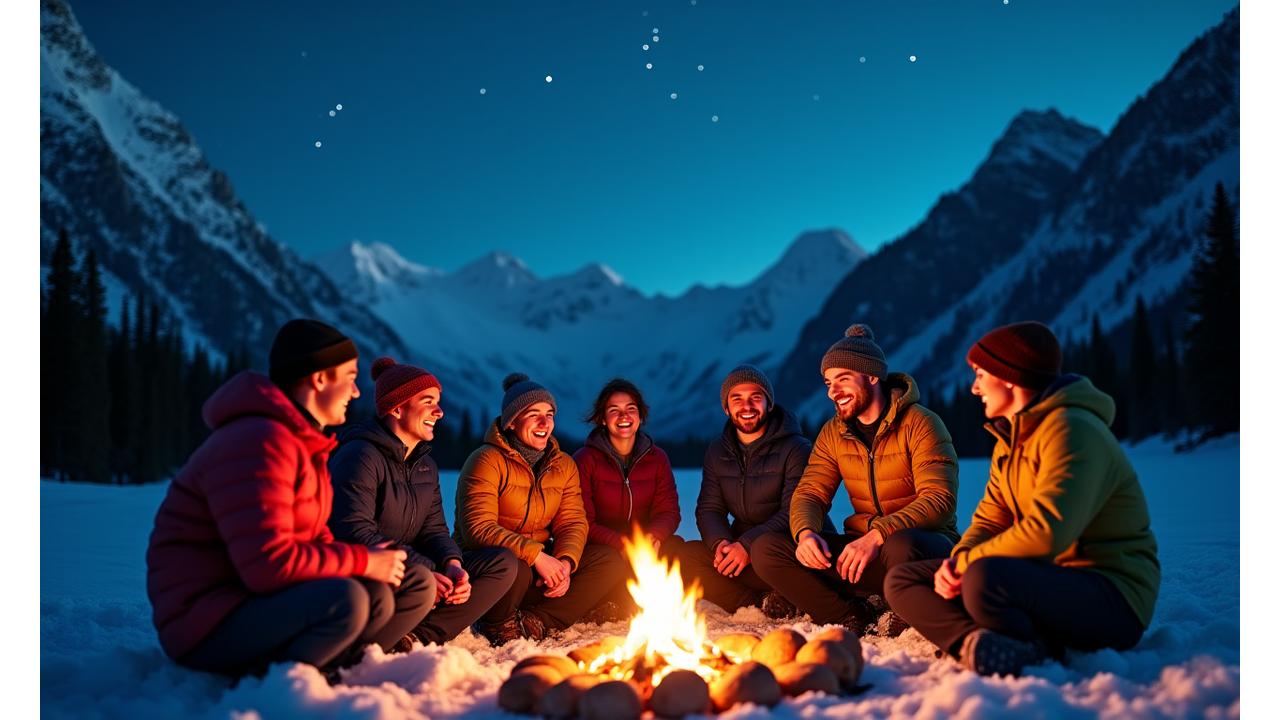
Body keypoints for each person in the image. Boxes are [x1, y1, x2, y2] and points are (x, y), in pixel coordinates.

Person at [146, 319, 435, 678]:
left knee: (412, 583)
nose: (356, 392)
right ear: (319, 380)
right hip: (206, 620)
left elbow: (315, 540)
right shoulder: (257, 442)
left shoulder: (304, 443)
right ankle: (285, 684)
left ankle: (343, 669)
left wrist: (373, 564)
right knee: (347, 600)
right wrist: (362, 561)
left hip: (263, 601)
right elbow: (267, 565)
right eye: (349, 377)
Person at [884, 321, 1160, 676]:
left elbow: (1047, 533)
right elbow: (989, 520)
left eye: (981, 375)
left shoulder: (1073, 430)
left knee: (984, 577)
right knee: (904, 580)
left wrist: (970, 565)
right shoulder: (1010, 440)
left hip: (1111, 596)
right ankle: (977, 644)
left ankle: (1035, 649)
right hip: (1042, 581)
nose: (974, 388)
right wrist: (959, 560)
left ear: (1009, 377)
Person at [752, 324, 959, 633]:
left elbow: (938, 500)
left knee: (899, 545)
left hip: (921, 550)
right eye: (828, 382)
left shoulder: (922, 423)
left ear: (872, 376)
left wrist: (878, 535)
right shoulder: (834, 433)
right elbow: (810, 493)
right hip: (860, 550)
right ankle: (850, 614)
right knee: (767, 548)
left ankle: (904, 607)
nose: (832, 392)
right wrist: (805, 533)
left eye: (843, 380)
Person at [327, 357, 518, 648]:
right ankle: (397, 630)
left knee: (502, 563)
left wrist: (451, 565)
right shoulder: (361, 456)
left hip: (419, 573)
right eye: (428, 401)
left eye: (438, 402)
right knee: (422, 579)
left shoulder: (425, 464)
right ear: (397, 407)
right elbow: (355, 532)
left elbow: (435, 531)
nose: (440, 412)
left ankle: (416, 637)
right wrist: (427, 568)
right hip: (375, 573)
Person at [454, 373, 628, 645]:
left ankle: (538, 621)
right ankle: (497, 624)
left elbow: (572, 522)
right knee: (515, 566)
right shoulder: (486, 460)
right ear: (512, 422)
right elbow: (478, 528)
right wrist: (537, 557)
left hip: (539, 564)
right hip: (495, 568)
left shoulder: (564, 465)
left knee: (607, 561)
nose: (544, 422)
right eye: (533, 414)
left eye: (549, 414)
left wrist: (565, 563)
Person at [676, 364, 831, 616]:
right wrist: (721, 545)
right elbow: (709, 509)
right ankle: (759, 604)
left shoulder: (795, 448)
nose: (746, 407)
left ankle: (789, 595)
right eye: (737, 399)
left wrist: (747, 546)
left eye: (755, 398)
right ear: (726, 407)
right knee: (685, 557)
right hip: (741, 551)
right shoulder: (718, 451)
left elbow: (794, 509)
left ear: (768, 404)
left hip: (787, 551)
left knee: (764, 552)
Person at [572, 378, 682, 617]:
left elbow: (669, 512)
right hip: (603, 549)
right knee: (610, 563)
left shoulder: (657, 458)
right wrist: (621, 543)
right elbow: (582, 521)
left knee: (680, 550)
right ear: (603, 418)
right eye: (614, 411)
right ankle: (610, 602)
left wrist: (654, 537)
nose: (624, 416)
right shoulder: (585, 460)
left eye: (631, 409)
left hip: (644, 545)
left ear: (640, 416)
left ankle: (641, 603)